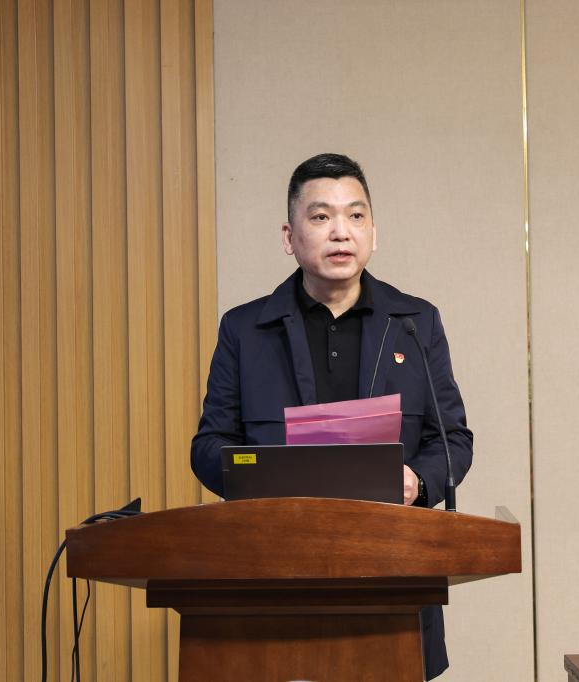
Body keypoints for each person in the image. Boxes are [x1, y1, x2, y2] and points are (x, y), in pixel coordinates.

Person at [190, 152, 473, 680]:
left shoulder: (416, 322)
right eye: (320, 216)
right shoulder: (245, 330)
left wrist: (418, 480)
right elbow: (208, 446)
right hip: (275, 571)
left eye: (355, 215)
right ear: (289, 237)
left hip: (391, 574)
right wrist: (262, 477)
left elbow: (452, 440)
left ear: (373, 233)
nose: (341, 231)